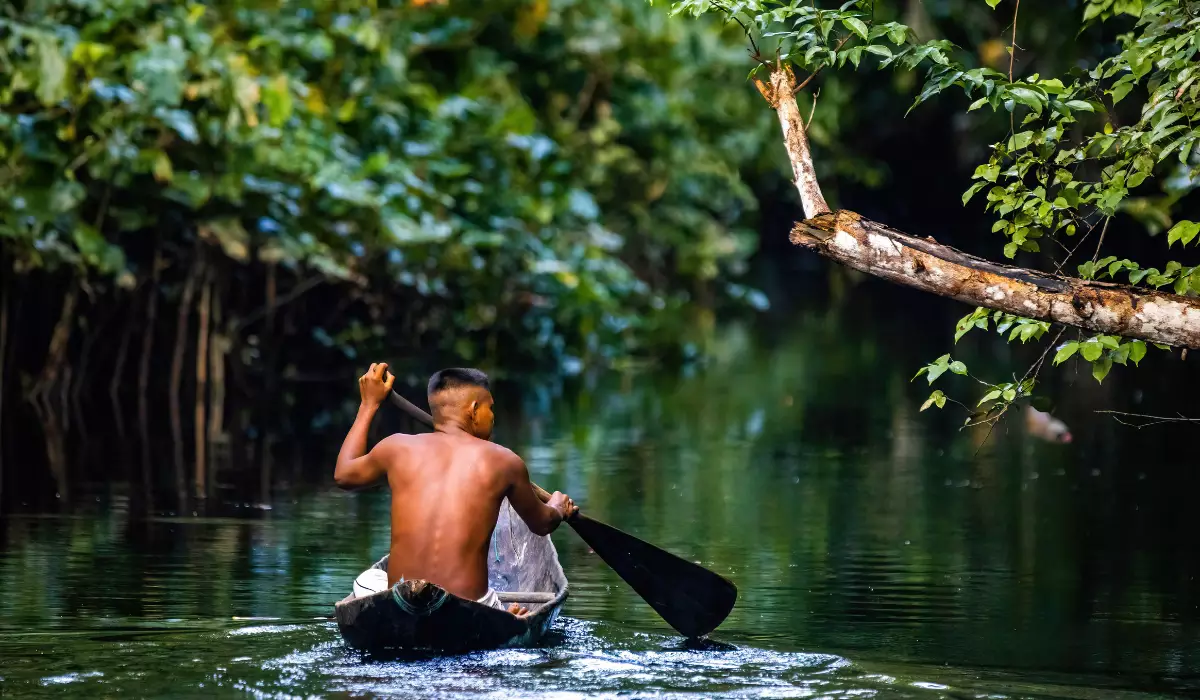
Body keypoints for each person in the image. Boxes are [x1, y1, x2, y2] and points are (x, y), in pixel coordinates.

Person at [333, 363, 578, 616]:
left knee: (371, 580)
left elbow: (343, 475)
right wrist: (558, 507)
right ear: (473, 410)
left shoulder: (396, 448)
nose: (493, 416)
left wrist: (368, 405)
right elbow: (541, 524)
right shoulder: (505, 462)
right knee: (494, 609)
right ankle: (503, 615)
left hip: (401, 603)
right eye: (490, 408)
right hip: (470, 609)